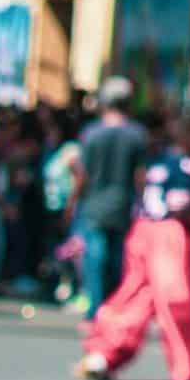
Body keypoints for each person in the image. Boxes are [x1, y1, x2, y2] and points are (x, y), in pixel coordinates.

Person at [77, 114, 190, 380]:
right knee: (177, 300)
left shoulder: (156, 162)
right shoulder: (185, 167)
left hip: (143, 230)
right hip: (170, 235)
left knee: (136, 294)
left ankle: (104, 353)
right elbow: (180, 207)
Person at [70, 79, 148, 317]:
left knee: (95, 256)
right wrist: (141, 202)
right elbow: (140, 176)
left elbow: (82, 174)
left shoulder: (92, 134)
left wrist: (73, 201)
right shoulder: (137, 135)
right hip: (122, 203)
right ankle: (113, 305)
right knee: (117, 257)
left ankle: (96, 307)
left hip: (95, 204)